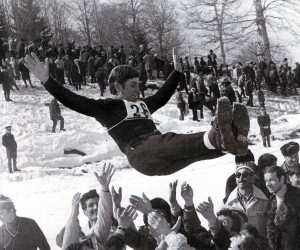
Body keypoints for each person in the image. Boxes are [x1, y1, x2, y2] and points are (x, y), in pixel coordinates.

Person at [25, 50, 250, 176]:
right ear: (117, 88)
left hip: (161, 161)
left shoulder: (143, 105)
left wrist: (176, 73)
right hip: (141, 153)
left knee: (195, 154)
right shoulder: (108, 108)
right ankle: (216, 134)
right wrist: (47, 80)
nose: (138, 89)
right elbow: (75, 100)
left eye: (138, 84)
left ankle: (230, 142)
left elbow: (161, 96)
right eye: (132, 85)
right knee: (166, 140)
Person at [56, 163, 117, 249]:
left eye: (98, 204)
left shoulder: (94, 239)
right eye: (91, 205)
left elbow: (105, 217)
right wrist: (73, 216)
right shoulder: (85, 233)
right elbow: (68, 244)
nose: (96, 207)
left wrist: (104, 189)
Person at [224, 163, 269, 237]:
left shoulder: (264, 201)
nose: (241, 177)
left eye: (245, 175)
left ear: (252, 178)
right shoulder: (228, 204)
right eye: (238, 175)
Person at [264, 166, 300, 249]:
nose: (267, 184)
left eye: (271, 180)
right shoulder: (271, 202)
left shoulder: (297, 197)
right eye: (266, 181)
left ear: (282, 179)